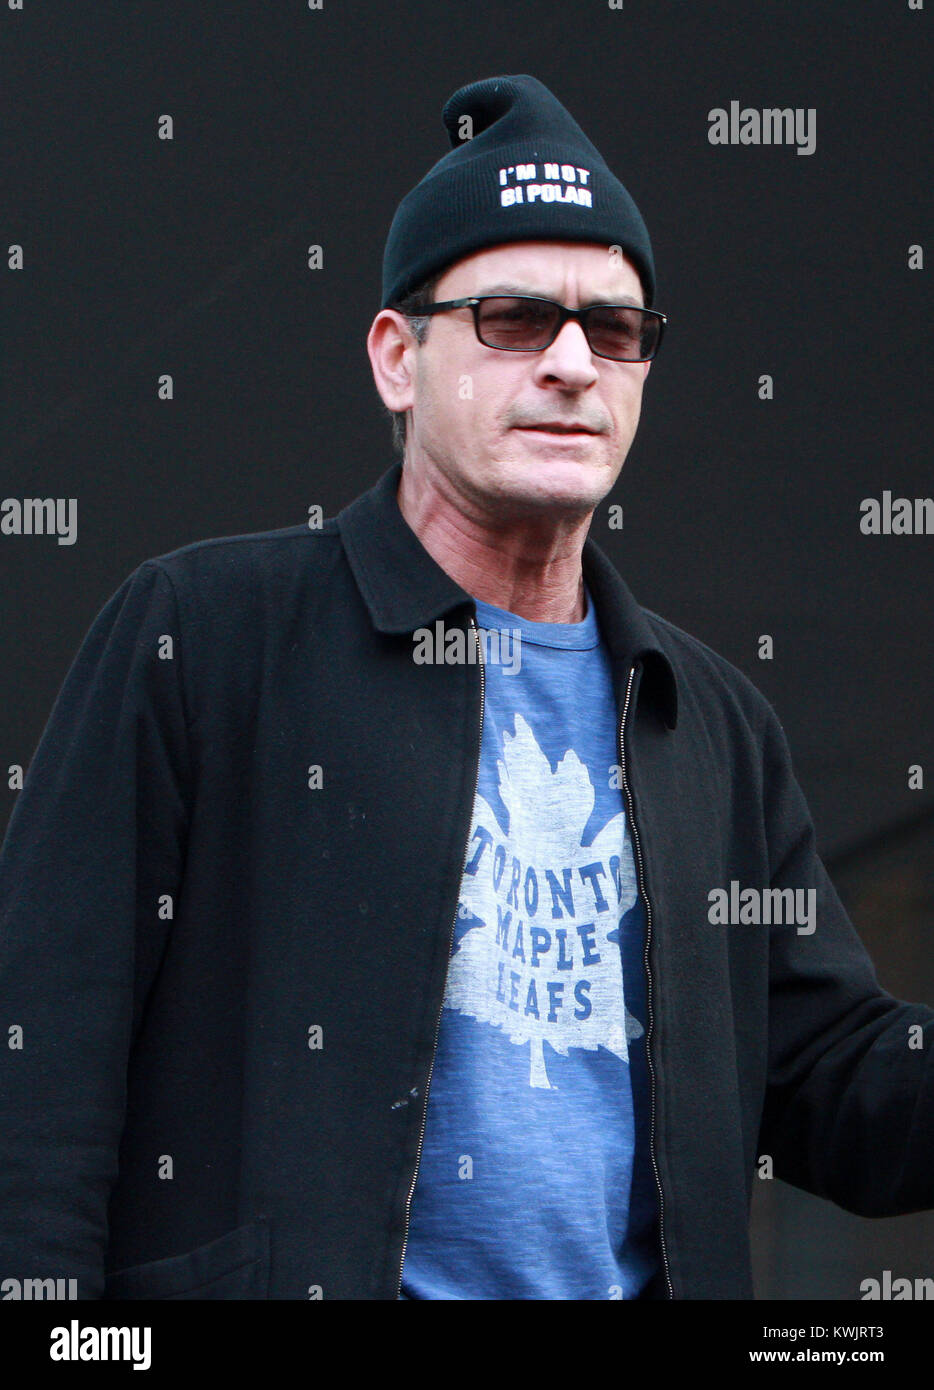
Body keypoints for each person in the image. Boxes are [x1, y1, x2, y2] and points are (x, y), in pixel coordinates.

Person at [0, 73, 932, 1303]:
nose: (568, 364)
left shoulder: (706, 720)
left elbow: (829, 1081)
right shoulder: (203, 633)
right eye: (510, 318)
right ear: (398, 358)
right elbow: (41, 1072)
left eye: (613, 329)